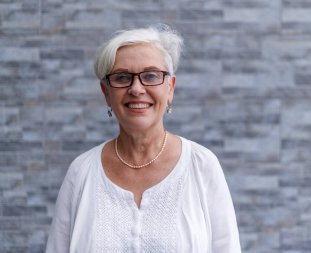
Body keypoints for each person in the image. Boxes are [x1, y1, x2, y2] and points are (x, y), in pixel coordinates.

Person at [45, 25, 241, 253]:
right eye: (122, 77)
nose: (136, 89)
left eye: (150, 76)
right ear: (106, 92)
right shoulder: (81, 172)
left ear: (170, 88)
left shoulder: (201, 165)